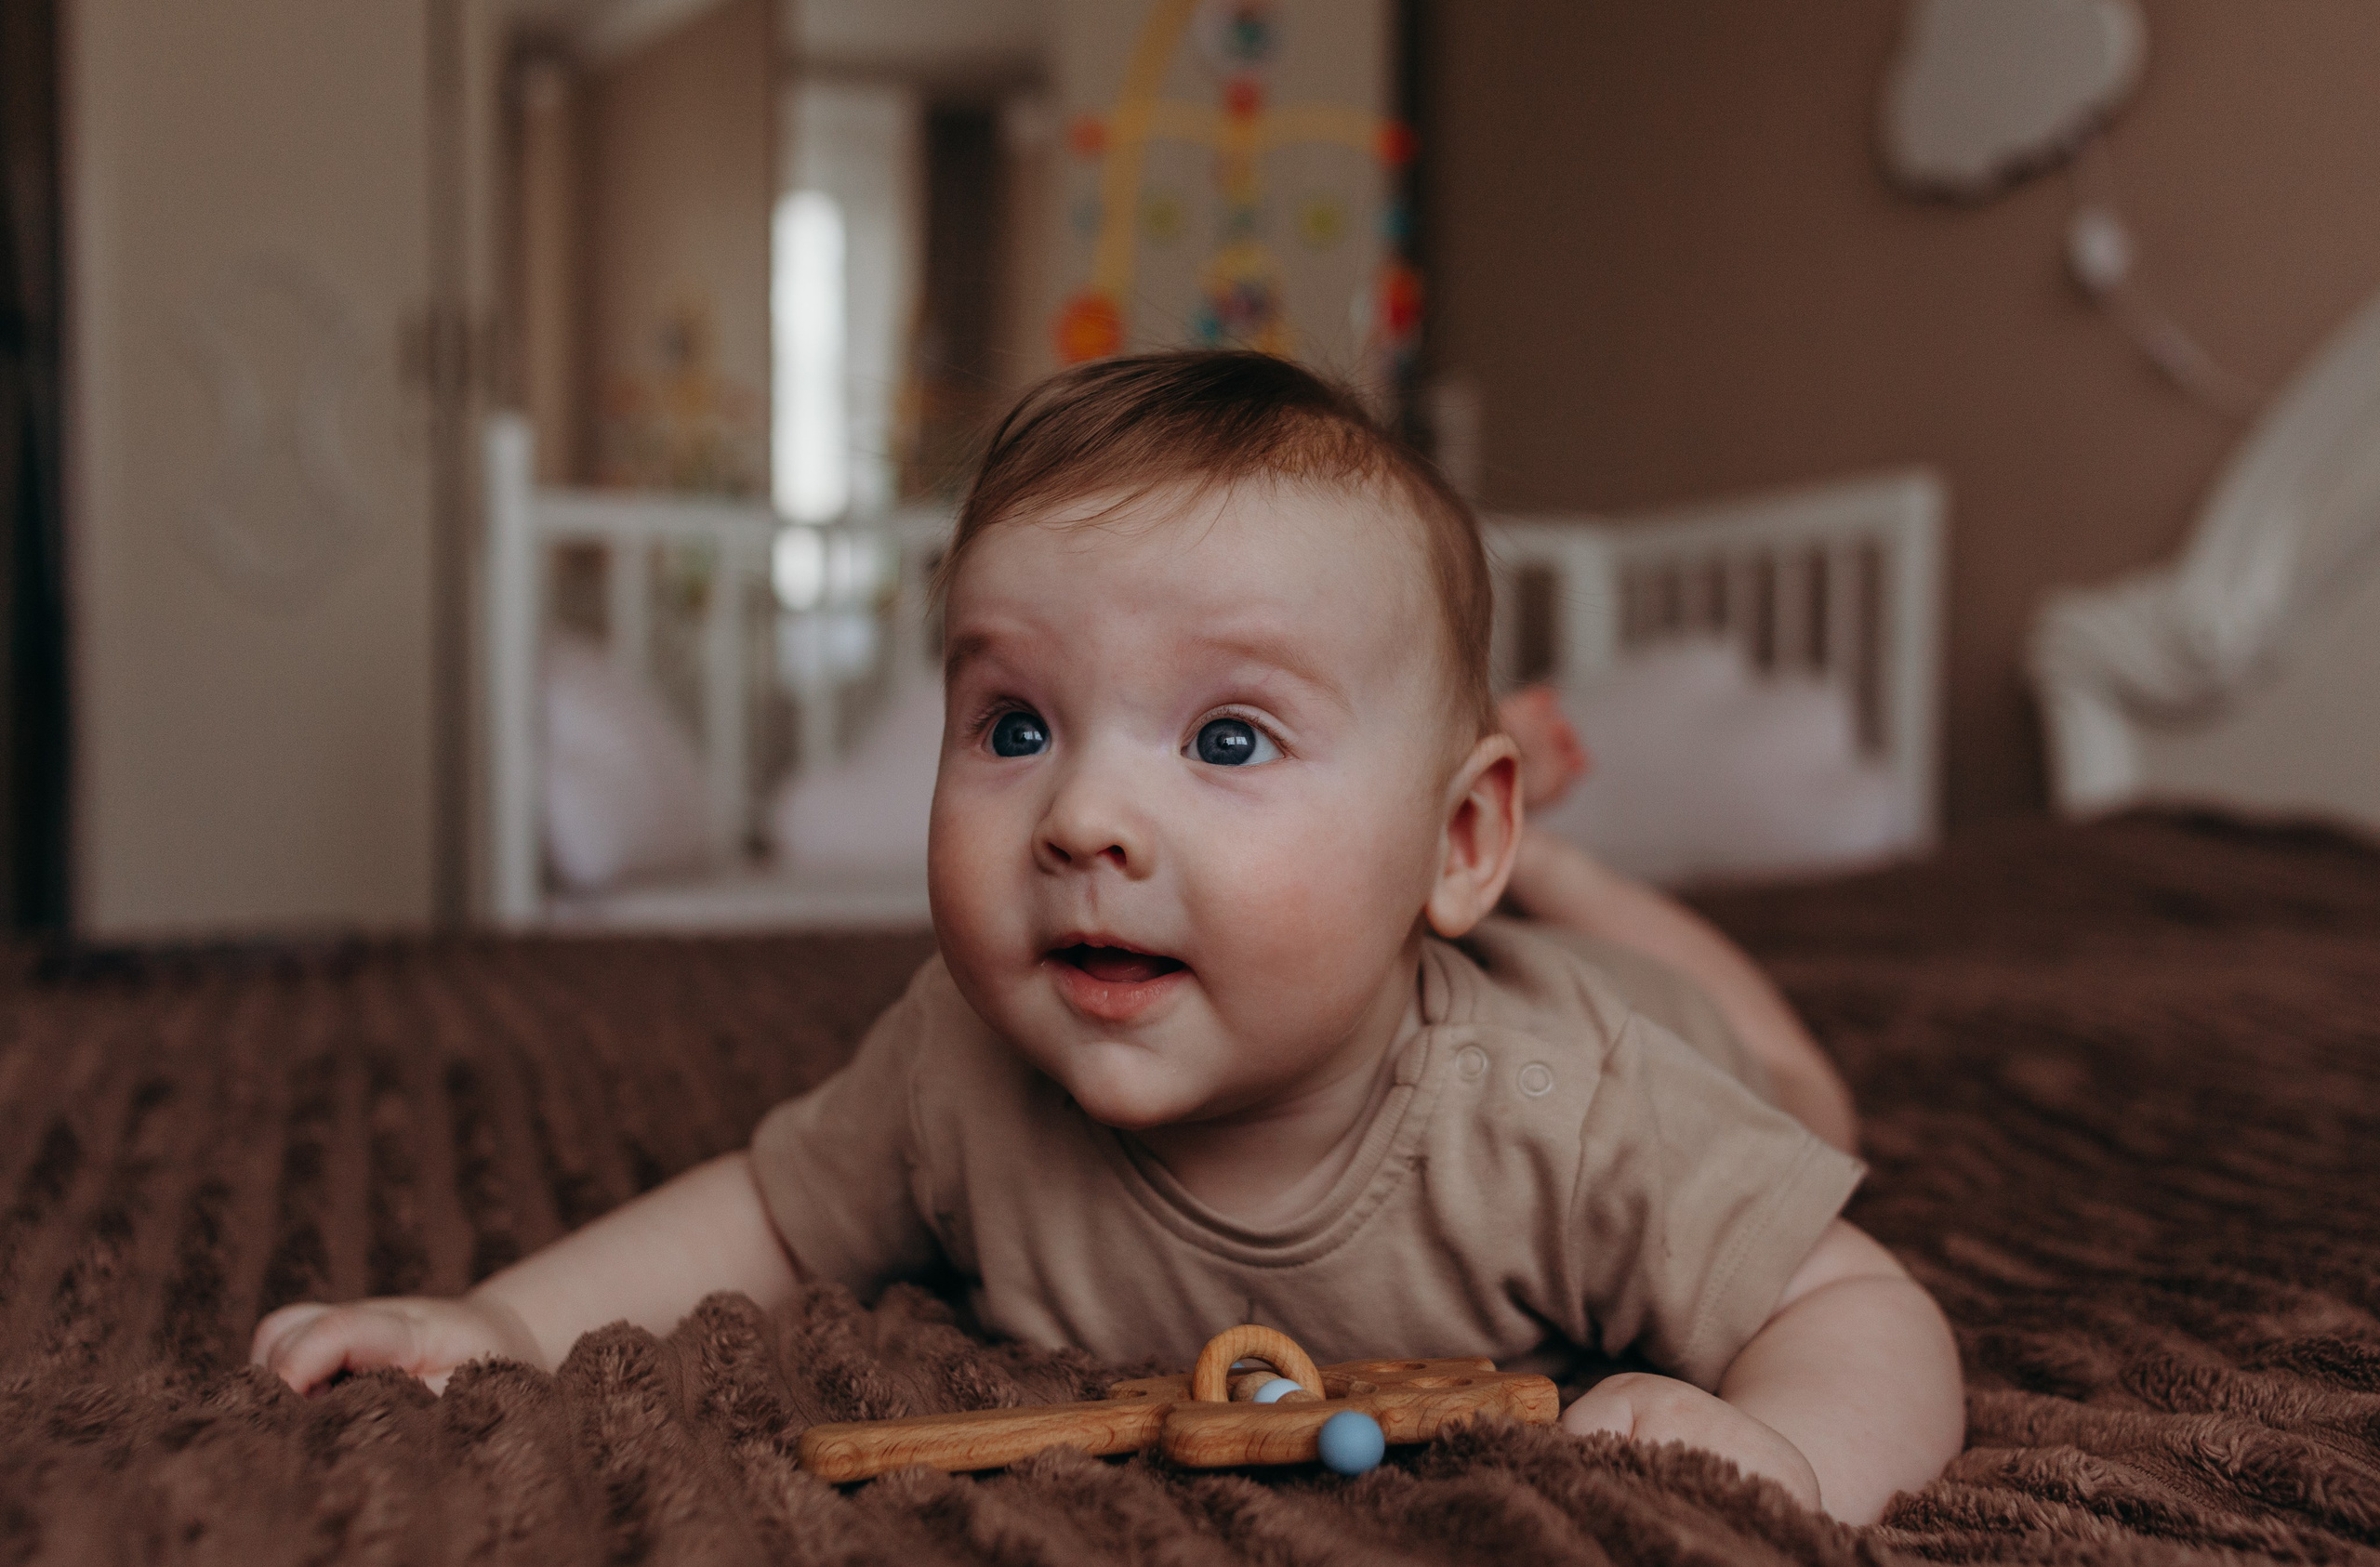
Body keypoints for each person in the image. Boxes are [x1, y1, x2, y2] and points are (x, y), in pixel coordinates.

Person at [253, 352, 1960, 1523]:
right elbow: (768, 1213)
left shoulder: (1568, 1105)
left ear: (1454, 839)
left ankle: (1571, 882)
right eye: (1013, 725)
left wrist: (1787, 1451)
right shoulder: (958, 1053)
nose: (1079, 818)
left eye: (1226, 739)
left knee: (1812, 1092)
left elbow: (1868, 1309)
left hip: (1675, 1032)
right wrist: (492, 1322)